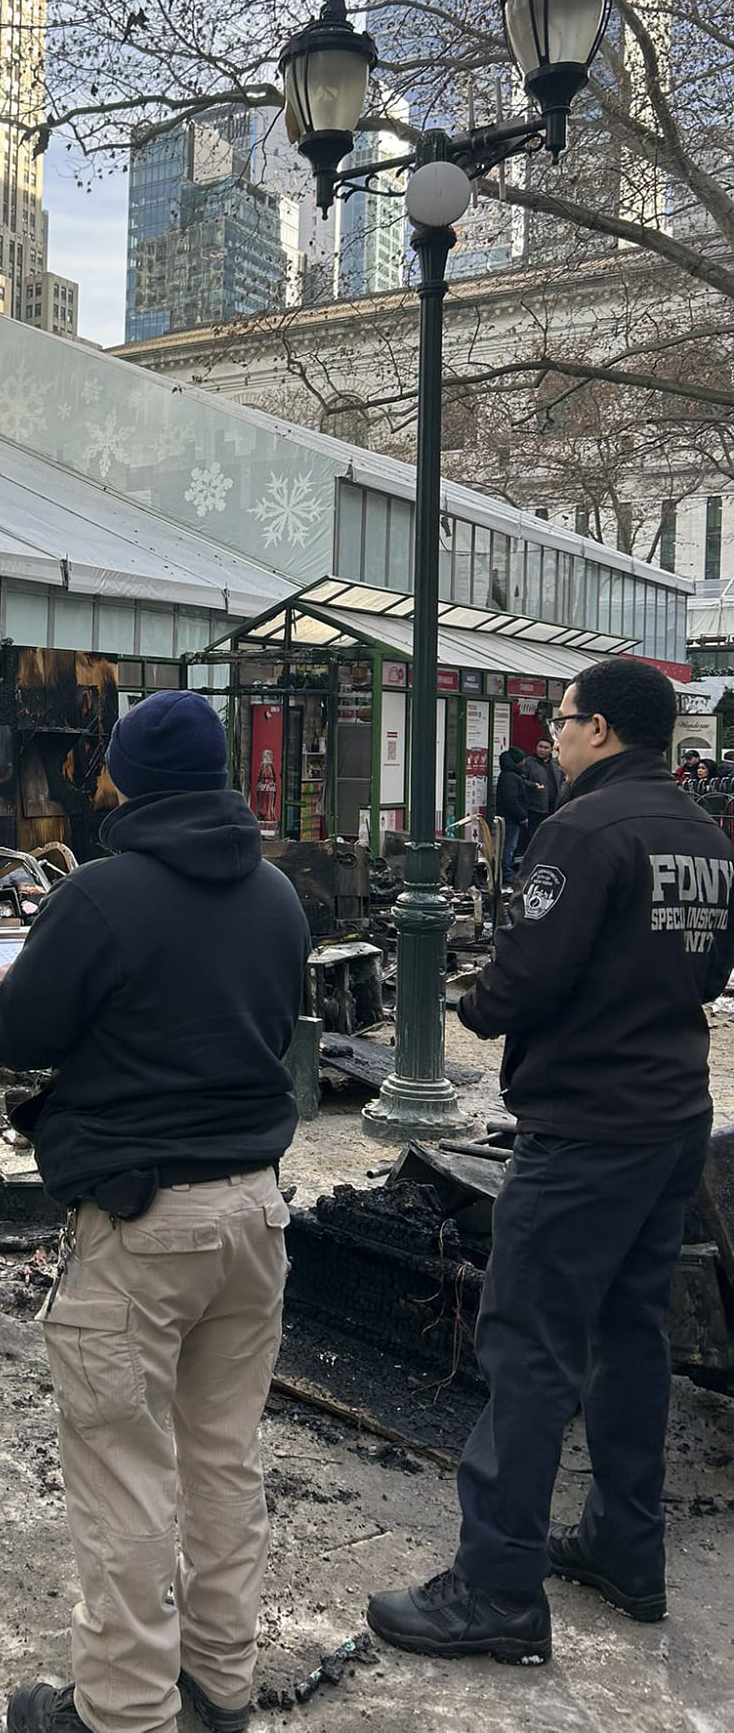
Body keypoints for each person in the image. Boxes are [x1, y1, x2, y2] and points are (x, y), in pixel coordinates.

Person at [368, 657, 734, 1667]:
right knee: (631, 1333)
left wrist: (475, 1004)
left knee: (527, 1345)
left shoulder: (582, 829)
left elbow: (522, 976)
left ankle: (495, 1587)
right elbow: (710, 969)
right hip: (670, 1123)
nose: (551, 737)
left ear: (603, 729)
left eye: (561, 720)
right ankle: (626, 1543)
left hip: (585, 1129)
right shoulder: (702, 835)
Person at [0, 690, 311, 1733]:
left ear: (126, 775)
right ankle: (221, 1684)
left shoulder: (101, 896)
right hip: (254, 1216)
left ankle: (123, 1710)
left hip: (139, 1221)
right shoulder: (277, 894)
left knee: (126, 1474)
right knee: (223, 1456)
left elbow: (14, 1029)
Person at [493, 746, 531, 882]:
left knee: (509, 845)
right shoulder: (511, 777)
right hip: (510, 819)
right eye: (522, 760)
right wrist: (521, 816)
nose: (524, 763)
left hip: (510, 818)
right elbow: (511, 800)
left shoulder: (510, 776)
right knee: (509, 846)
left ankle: (506, 870)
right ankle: (506, 872)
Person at [519, 735, 564, 843]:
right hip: (535, 806)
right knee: (534, 835)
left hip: (553, 806)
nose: (542, 750)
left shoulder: (555, 763)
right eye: (540, 746)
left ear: (551, 750)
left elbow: (562, 780)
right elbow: (521, 780)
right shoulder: (529, 762)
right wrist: (533, 785)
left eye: (546, 748)